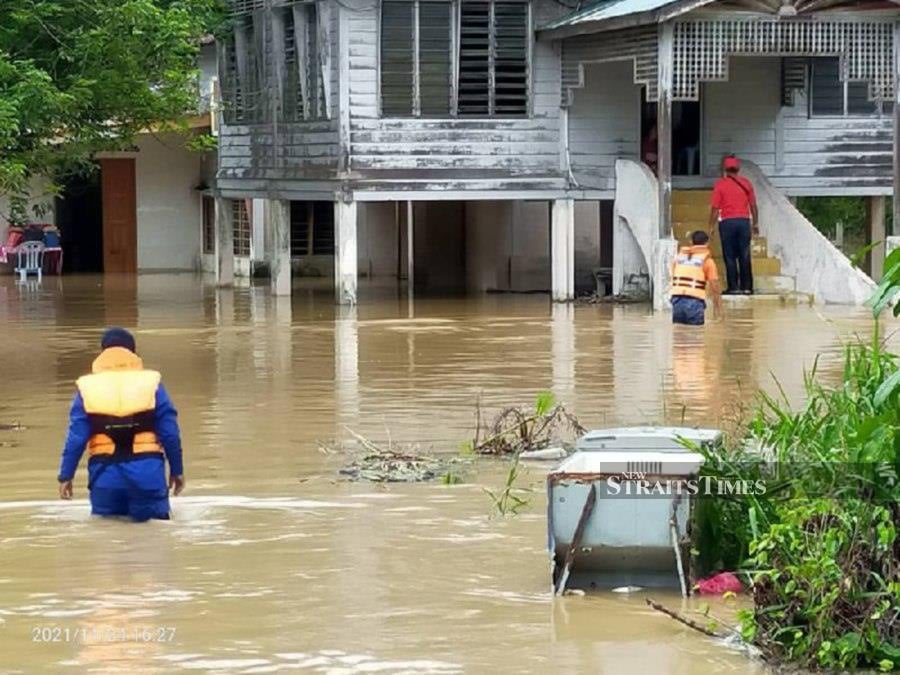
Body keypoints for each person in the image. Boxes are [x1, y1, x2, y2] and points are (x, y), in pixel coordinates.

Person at [57, 328, 185, 521]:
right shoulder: (152, 384)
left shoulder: (87, 388)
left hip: (105, 478)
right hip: (147, 475)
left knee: (108, 542)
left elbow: (76, 438)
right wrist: (177, 471)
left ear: (102, 352)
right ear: (133, 352)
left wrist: (66, 476)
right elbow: (170, 433)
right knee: (154, 542)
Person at [709, 155, 758, 295]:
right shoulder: (746, 183)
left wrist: (711, 226)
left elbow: (715, 208)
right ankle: (747, 287)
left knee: (729, 255)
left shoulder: (720, 184)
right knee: (744, 254)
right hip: (744, 222)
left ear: (725, 169)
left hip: (727, 222)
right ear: (738, 169)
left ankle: (734, 287)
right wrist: (755, 223)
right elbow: (753, 206)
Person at [671, 230, 723, 326]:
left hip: (677, 301)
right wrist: (718, 309)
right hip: (694, 301)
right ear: (707, 243)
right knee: (695, 336)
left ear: (691, 242)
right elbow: (714, 286)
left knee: (679, 335)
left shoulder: (679, 258)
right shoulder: (707, 261)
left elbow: (673, 277)